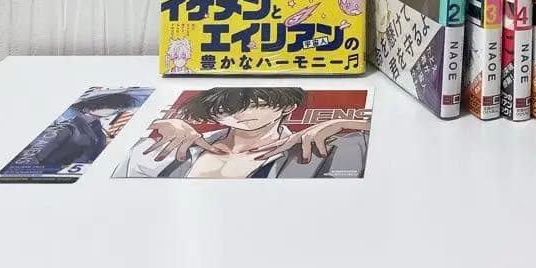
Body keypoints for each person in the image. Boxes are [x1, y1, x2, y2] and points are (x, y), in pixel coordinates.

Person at [114, 87, 368, 179]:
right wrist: (162, 123)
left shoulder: (328, 149)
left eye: (257, 104)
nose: (240, 114)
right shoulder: (165, 149)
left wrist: (345, 123)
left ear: (288, 106)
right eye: (227, 107)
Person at [34, 90, 143, 167]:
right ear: (88, 108)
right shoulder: (70, 127)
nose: (115, 110)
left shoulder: (98, 129)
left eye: (117, 107)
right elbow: (45, 152)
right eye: (110, 106)